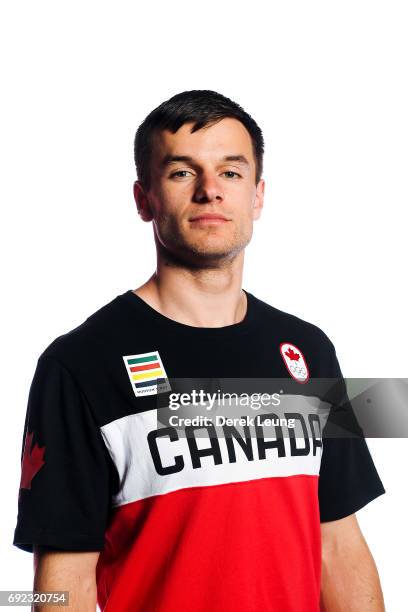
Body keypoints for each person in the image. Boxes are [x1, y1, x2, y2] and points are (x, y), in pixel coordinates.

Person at [13, 90, 386, 611]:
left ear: (257, 196)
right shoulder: (79, 364)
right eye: (182, 172)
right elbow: (64, 579)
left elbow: (339, 549)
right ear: (144, 199)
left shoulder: (309, 350)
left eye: (231, 173)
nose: (211, 191)